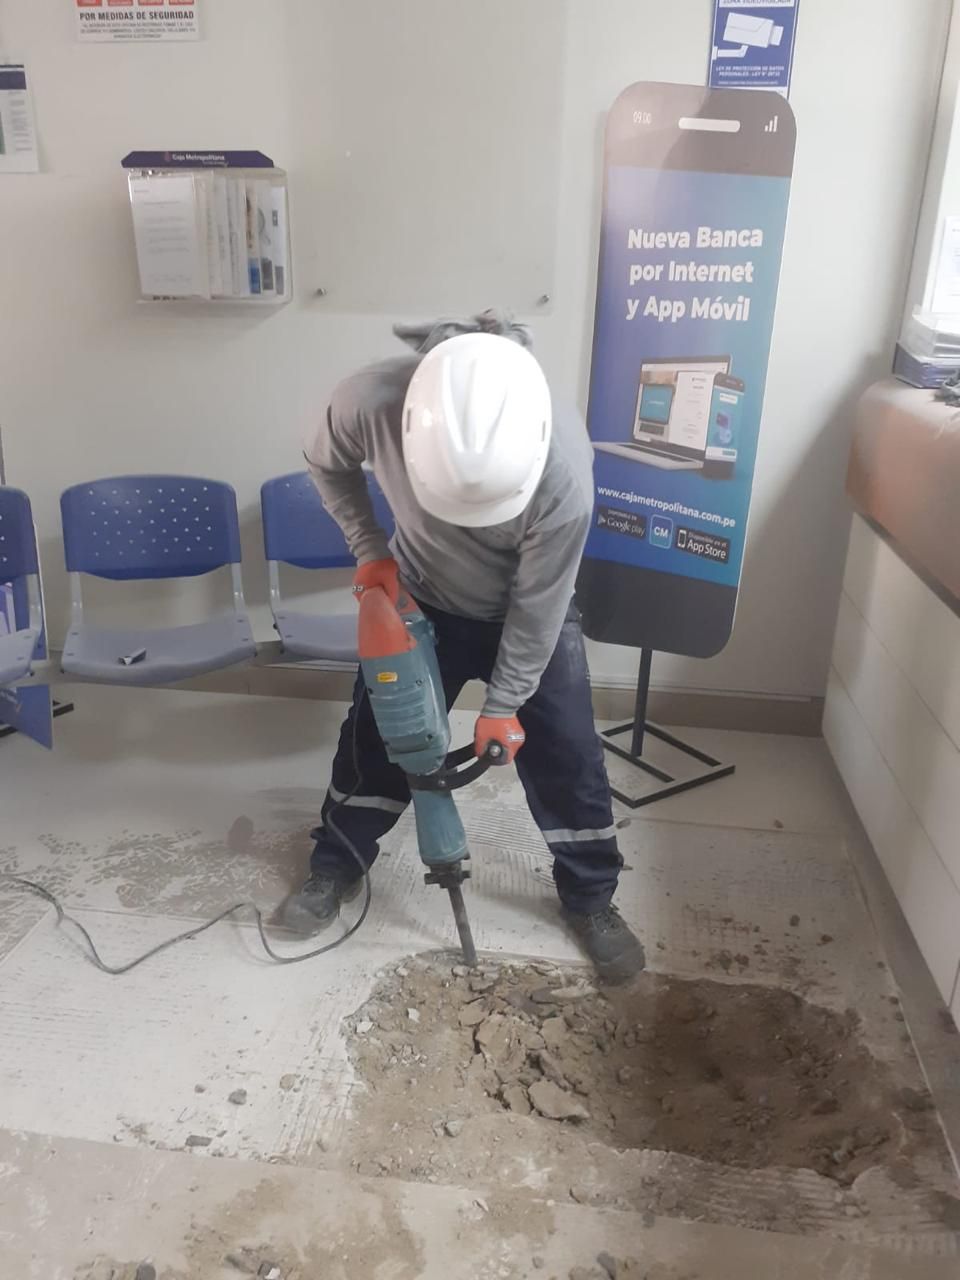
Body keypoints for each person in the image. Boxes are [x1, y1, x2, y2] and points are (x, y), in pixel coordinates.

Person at [282, 312, 645, 982]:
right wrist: (371, 553)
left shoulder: (563, 467)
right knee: (376, 741)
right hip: (421, 597)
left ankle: (592, 898)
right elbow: (324, 464)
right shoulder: (371, 400)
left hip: (529, 611)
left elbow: (539, 607)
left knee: (567, 753)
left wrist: (504, 705)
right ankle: (335, 867)